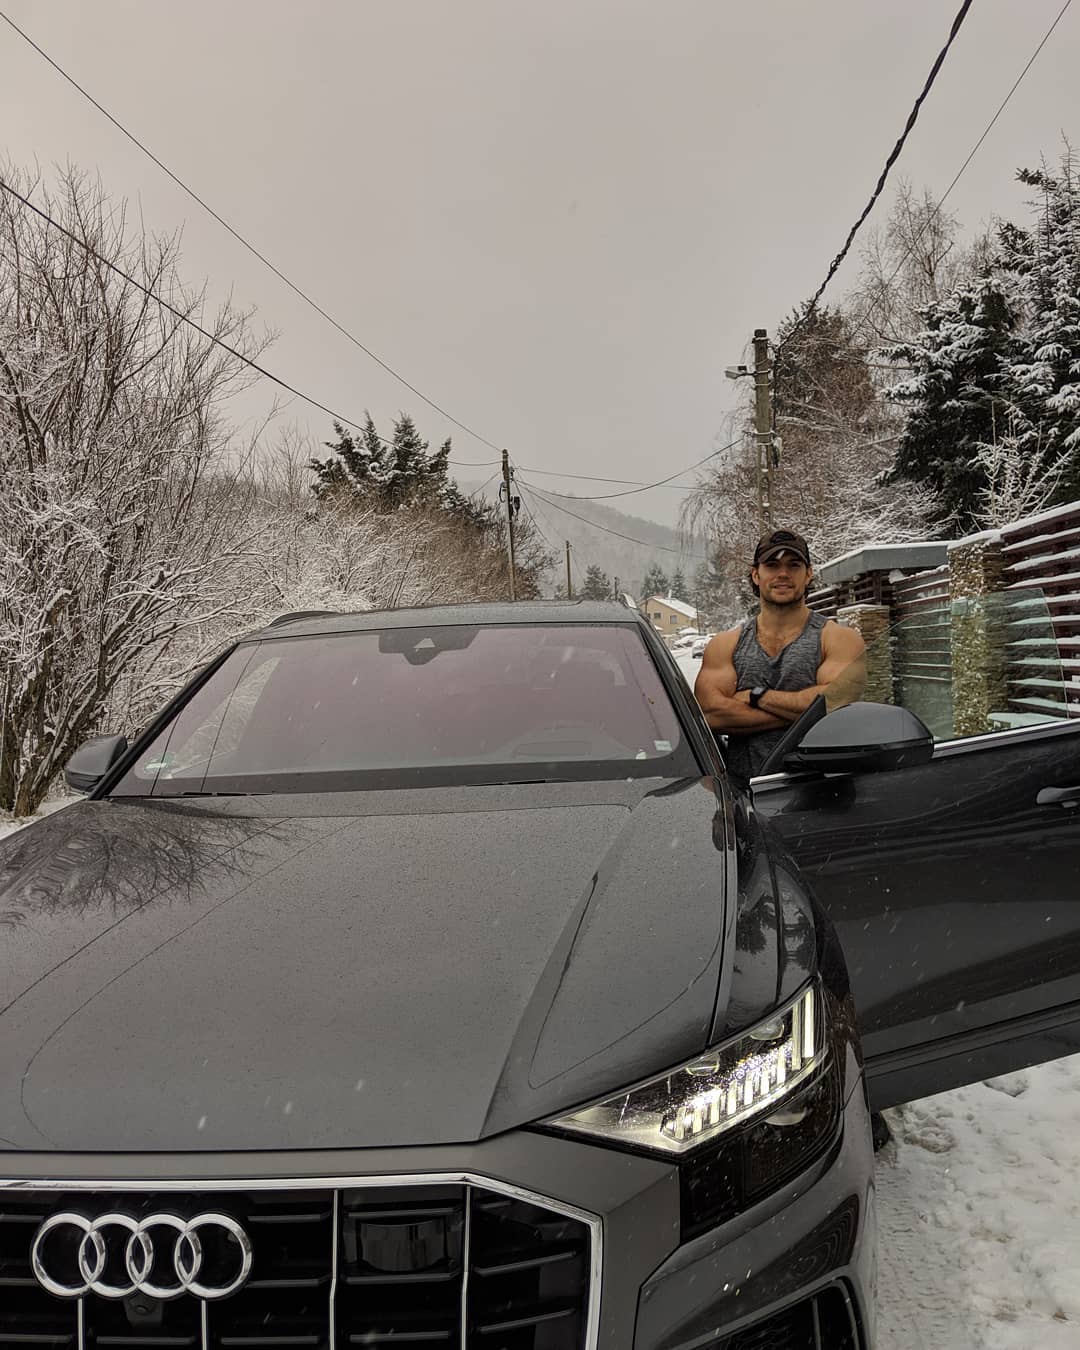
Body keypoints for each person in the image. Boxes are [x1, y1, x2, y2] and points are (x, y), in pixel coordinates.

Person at [694, 529, 865, 782]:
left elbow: (836, 705)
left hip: (822, 792)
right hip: (745, 797)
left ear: (808, 574)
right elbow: (710, 716)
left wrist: (756, 695)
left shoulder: (839, 639)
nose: (783, 574)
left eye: (793, 565)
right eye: (772, 565)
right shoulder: (725, 645)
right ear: (756, 574)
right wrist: (803, 714)